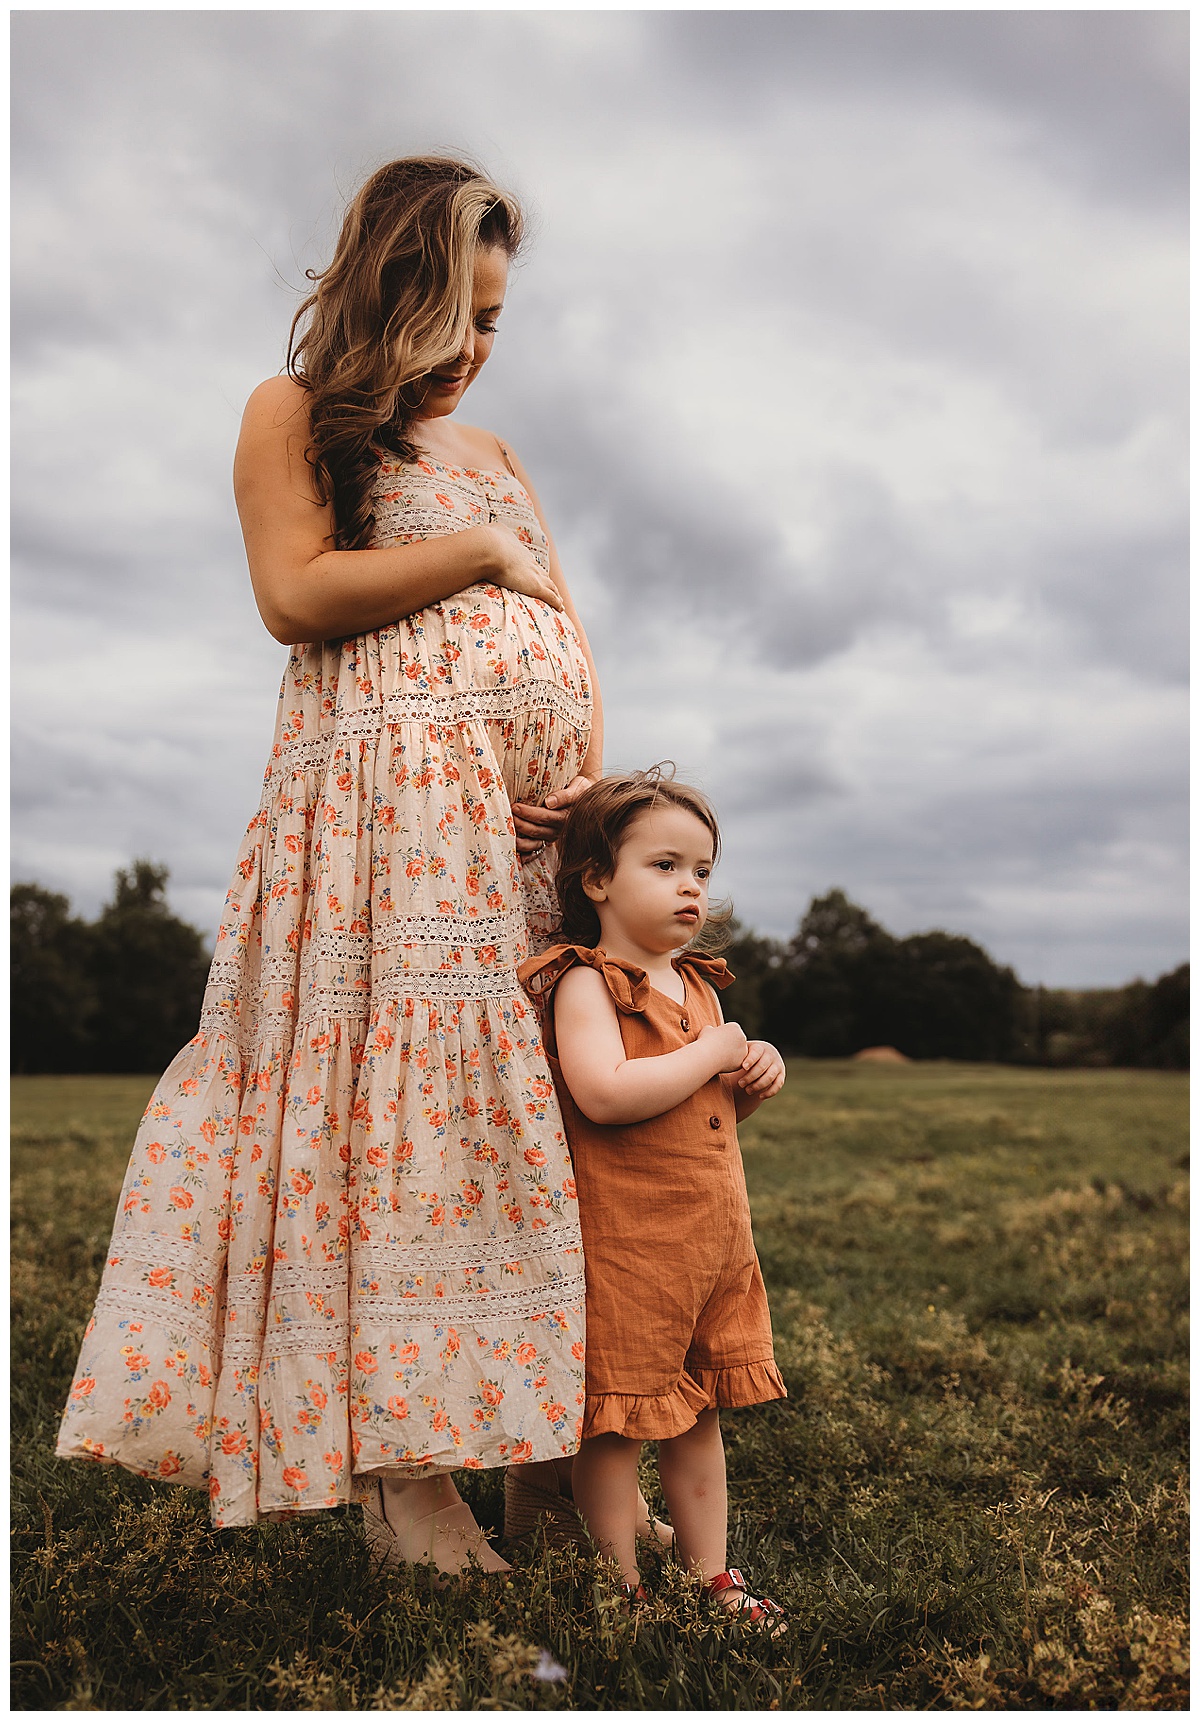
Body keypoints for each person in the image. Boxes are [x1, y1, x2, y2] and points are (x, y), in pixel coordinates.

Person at [56, 155, 608, 1575]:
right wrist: (479, 553)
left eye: (496, 323)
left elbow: (569, 624)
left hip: (520, 841)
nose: (475, 353)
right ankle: (401, 1475)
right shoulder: (292, 413)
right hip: (378, 845)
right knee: (396, 1140)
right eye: (456, 318)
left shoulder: (503, 457)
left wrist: (586, 771)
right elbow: (295, 595)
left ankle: (550, 1464)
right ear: (393, 289)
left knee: (534, 1137)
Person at [517, 770, 789, 1624]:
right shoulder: (586, 982)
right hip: (629, 1246)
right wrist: (712, 1055)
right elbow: (603, 1091)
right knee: (618, 1425)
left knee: (698, 1414)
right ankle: (620, 1585)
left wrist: (750, 1073)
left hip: (711, 1243)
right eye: (665, 864)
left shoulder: (699, 986)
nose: (690, 887)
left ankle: (712, 1575)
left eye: (702, 870)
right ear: (597, 878)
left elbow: (698, 1102)